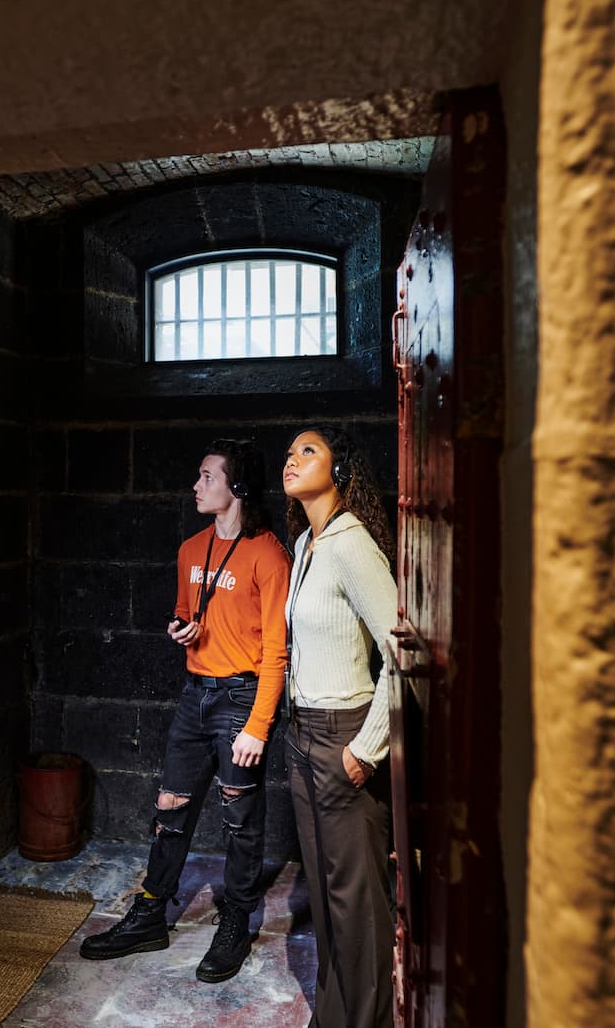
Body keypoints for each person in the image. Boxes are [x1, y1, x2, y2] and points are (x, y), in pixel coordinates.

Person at [79, 438, 292, 983]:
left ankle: (237, 920)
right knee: (171, 808)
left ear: (235, 487)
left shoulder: (268, 554)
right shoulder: (190, 550)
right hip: (196, 695)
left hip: (242, 697)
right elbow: (183, 612)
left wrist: (258, 726)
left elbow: (277, 651)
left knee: (240, 821)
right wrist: (184, 629)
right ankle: (151, 911)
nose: (196, 486)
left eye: (206, 477)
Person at [281, 426, 398, 1027]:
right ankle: (333, 1016)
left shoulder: (352, 544)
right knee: (326, 902)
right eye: (290, 452)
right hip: (300, 737)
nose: (292, 459)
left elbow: (402, 653)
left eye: (308, 451)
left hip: (342, 735)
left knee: (357, 902)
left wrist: (367, 747)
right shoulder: (305, 545)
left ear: (340, 471)